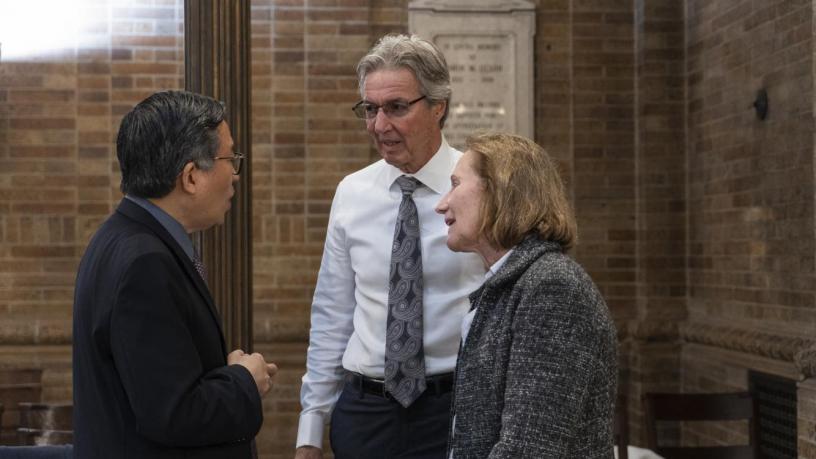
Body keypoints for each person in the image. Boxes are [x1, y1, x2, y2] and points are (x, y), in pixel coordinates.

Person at [295, 34, 485, 459]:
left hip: (455, 408)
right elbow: (333, 312)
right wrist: (310, 427)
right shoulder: (352, 193)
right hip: (366, 414)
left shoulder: (480, 187)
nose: (380, 125)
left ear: (438, 106)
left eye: (397, 107)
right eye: (370, 109)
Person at [72, 90, 278, 458]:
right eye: (230, 158)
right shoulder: (145, 263)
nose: (235, 174)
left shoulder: (121, 238)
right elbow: (173, 414)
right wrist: (244, 380)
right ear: (191, 176)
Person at [435, 132, 618, 458]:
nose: (442, 204)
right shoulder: (509, 284)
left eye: (455, 184)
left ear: (500, 190)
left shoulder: (552, 287)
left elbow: (529, 448)